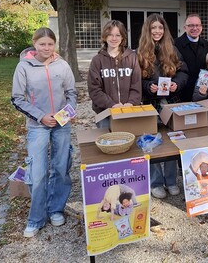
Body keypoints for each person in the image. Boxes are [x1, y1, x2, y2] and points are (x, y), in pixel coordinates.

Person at [11, 27, 77, 238]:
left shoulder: (62, 65)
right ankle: (36, 218)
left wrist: (68, 112)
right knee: (37, 173)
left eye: (50, 44)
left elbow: (71, 92)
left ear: (54, 45)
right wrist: (40, 116)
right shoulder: (24, 67)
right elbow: (17, 98)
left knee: (60, 167)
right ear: (34, 44)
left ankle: (56, 209)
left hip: (61, 125)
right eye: (42, 44)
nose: (46, 48)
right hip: (37, 126)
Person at [137, 13, 188, 199]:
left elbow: (184, 72)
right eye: (153, 28)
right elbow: (136, 81)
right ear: (148, 31)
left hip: (172, 102)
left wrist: (178, 84)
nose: (157, 31)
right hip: (150, 104)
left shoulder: (172, 49)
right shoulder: (140, 52)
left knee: (172, 141)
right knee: (153, 144)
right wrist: (147, 86)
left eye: (160, 28)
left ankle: (171, 180)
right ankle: (156, 182)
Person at [88, 20, 142, 128]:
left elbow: (136, 84)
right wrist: (111, 105)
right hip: (106, 112)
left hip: (128, 110)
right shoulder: (97, 60)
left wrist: (131, 103)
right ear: (105, 36)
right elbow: (94, 89)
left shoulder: (132, 57)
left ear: (122, 37)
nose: (114, 38)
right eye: (110, 35)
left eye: (118, 35)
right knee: (110, 142)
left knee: (130, 140)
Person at [174, 14, 208, 102]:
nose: (194, 28)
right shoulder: (175, 44)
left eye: (197, 25)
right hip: (181, 93)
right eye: (191, 25)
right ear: (184, 27)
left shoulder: (205, 44)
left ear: (201, 27)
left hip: (201, 93)